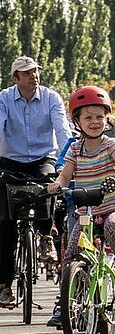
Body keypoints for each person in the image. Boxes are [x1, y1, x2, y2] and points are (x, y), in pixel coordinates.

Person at [46, 87, 115, 326]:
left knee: (114, 227)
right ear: (77, 121)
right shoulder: (74, 149)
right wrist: (57, 184)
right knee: (71, 255)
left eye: (100, 116)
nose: (94, 122)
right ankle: (68, 300)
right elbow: (65, 175)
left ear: (107, 119)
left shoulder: (111, 144)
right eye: (88, 117)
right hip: (86, 212)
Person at [0, 56, 74, 308]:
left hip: (43, 157)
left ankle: (45, 237)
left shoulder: (51, 97)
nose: (33, 76)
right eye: (26, 72)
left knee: (48, 182)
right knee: (5, 221)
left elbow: (62, 129)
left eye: (35, 71)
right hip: (9, 160)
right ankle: (4, 284)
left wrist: (66, 160)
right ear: (16, 78)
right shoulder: (4, 98)